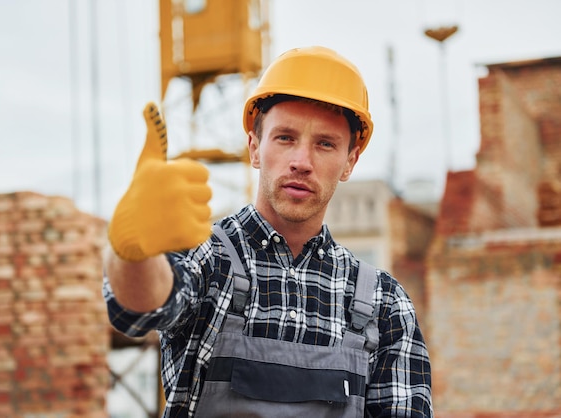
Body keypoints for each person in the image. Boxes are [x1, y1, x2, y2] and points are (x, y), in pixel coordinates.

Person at [103, 46, 433, 417]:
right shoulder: (207, 258)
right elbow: (136, 310)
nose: (301, 162)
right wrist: (131, 253)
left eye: (325, 144)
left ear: (349, 161)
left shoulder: (384, 304)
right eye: (285, 138)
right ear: (254, 147)